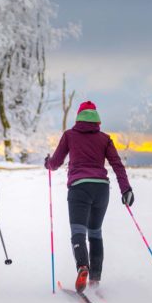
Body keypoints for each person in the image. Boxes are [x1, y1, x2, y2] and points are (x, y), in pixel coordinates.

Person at [44, 100, 134, 293]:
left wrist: (48, 164)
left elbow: (56, 162)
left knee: (78, 231)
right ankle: (95, 279)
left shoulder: (69, 135)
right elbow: (117, 164)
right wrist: (126, 189)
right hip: (101, 190)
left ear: (78, 117)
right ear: (96, 119)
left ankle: (83, 267)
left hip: (79, 188)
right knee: (95, 232)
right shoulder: (105, 139)